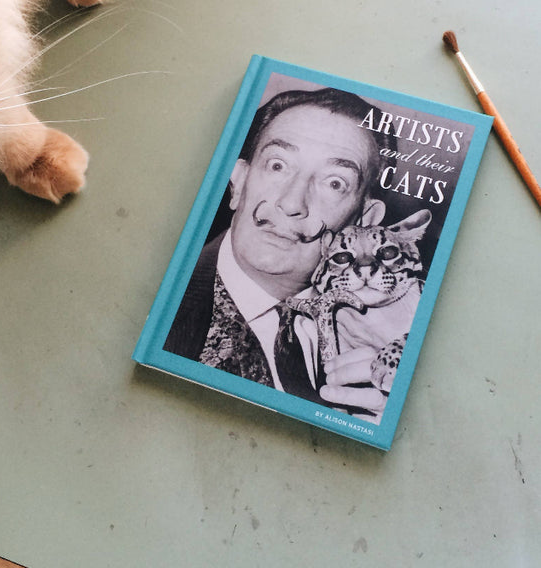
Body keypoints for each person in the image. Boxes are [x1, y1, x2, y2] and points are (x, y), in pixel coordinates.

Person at [163, 87, 400, 418]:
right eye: (278, 166)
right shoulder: (165, 312)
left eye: (334, 183)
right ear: (238, 182)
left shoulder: (382, 330)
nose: (291, 204)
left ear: (363, 221)